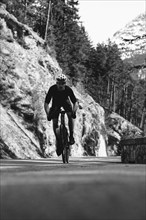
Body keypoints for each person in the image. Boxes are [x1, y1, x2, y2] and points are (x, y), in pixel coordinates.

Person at [44, 74, 78, 148]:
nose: (60, 85)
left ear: (65, 83)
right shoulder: (52, 89)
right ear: (56, 83)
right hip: (56, 104)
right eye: (59, 83)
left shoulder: (68, 89)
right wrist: (48, 114)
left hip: (66, 103)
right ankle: (58, 139)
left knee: (70, 115)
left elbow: (75, 102)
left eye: (62, 83)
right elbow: (46, 103)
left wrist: (74, 112)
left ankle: (71, 136)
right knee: (54, 120)